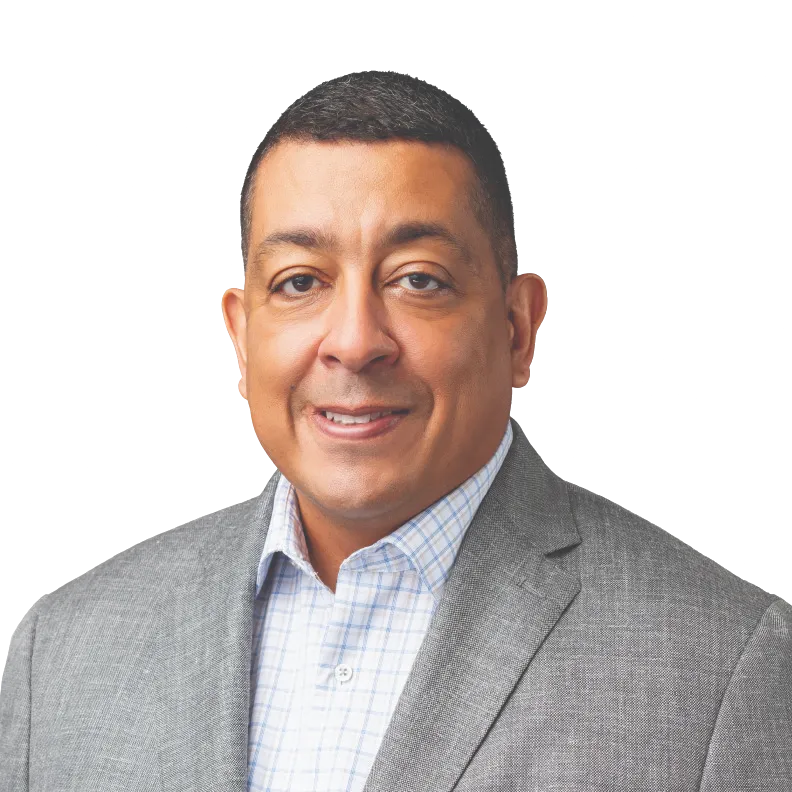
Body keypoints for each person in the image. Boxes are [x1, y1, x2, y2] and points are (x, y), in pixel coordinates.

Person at [2, 72, 789, 792]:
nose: (354, 340)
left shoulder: (725, 661)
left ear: (519, 330)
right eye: (300, 282)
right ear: (240, 338)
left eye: (418, 280)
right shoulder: (59, 648)